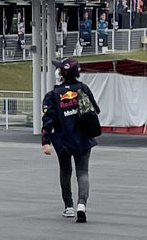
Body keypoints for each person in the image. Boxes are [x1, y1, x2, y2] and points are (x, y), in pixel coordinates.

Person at [40, 57, 101, 221]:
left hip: (63, 140)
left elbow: (48, 120)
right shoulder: (83, 89)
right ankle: (82, 204)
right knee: (83, 173)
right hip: (83, 139)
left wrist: (45, 141)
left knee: (65, 172)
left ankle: (68, 206)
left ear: (62, 73)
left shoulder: (53, 95)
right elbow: (96, 110)